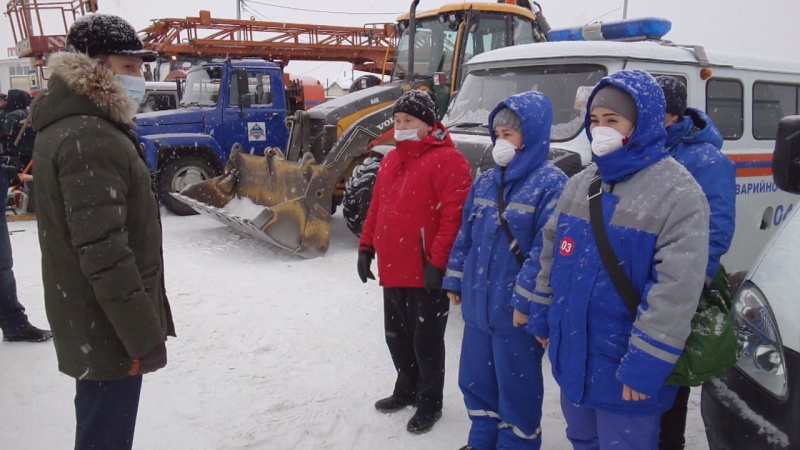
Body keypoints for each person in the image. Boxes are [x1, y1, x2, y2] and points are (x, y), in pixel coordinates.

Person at [522, 70, 710, 449]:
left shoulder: (678, 193)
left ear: (641, 124)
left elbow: (677, 290)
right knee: (582, 439)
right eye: (594, 120)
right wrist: (542, 312)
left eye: (612, 120)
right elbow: (550, 251)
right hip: (576, 360)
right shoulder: (583, 182)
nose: (600, 129)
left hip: (628, 371)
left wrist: (646, 363)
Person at [30, 14, 175, 450]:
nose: (139, 78)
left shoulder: (76, 125)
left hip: (93, 316)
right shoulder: (90, 136)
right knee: (105, 436)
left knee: (98, 425)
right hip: (109, 327)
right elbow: (104, 250)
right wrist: (141, 337)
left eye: (140, 67)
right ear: (93, 66)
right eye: (128, 67)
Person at [443, 92, 567, 450]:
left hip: (515, 314)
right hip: (479, 308)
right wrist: (455, 278)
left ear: (530, 136)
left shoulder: (551, 183)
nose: (500, 141)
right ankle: (482, 440)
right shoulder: (486, 181)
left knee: (517, 386)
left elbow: (547, 252)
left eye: (508, 134)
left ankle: (517, 444)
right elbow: (465, 234)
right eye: (496, 133)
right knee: (476, 379)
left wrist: (526, 302)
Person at [357, 89, 472, 434]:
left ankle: (429, 401)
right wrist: (366, 246)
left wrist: (438, 262)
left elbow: (454, 218)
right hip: (394, 266)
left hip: (425, 270)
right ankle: (406, 387)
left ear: (428, 124)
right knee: (397, 336)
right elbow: (377, 208)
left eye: (408, 121)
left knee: (427, 341)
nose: (400, 126)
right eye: (396, 121)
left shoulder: (450, 161)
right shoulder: (391, 160)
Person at [655, 76, 736, 450]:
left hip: (679, 282)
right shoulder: (649, 146)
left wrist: (691, 281)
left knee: (671, 373)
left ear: (672, 113)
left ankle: (670, 443)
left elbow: (716, 229)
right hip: (640, 279)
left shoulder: (707, 160)